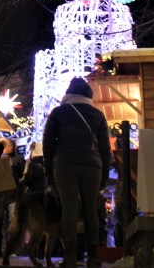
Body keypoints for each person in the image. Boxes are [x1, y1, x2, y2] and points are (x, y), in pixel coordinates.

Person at [43, 77, 111, 268]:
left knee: (69, 208)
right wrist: (104, 179)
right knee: (91, 209)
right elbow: (105, 150)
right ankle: (93, 257)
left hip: (64, 164)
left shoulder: (58, 113)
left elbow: (48, 145)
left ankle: (70, 257)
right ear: (88, 96)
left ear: (69, 94)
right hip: (92, 166)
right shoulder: (97, 115)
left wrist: (49, 174)